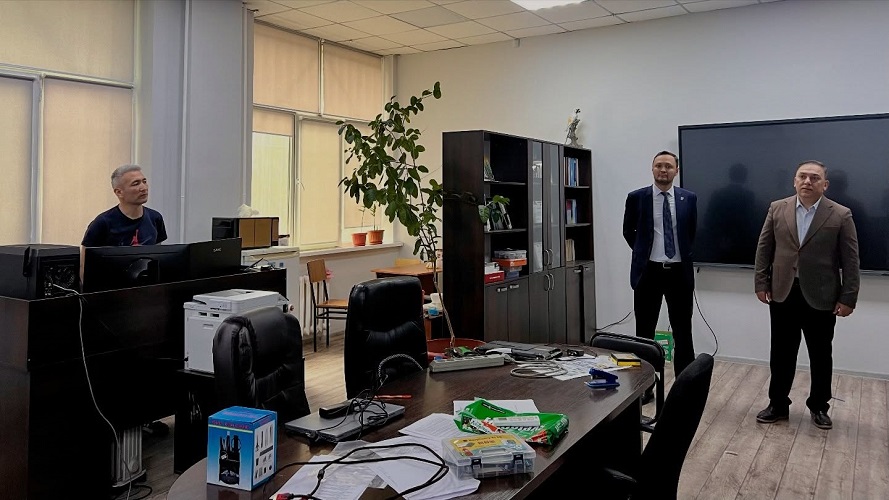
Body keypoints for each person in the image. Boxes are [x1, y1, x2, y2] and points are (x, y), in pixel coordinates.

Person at [754, 160, 860, 430]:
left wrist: (848, 297)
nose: (807, 182)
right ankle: (778, 404)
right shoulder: (777, 208)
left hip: (822, 296)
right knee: (781, 353)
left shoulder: (841, 214)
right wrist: (761, 282)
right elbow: (764, 249)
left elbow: (850, 260)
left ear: (825, 184)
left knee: (821, 354)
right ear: (794, 181)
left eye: (814, 178)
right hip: (783, 292)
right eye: (802, 176)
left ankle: (819, 406)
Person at [623, 151, 698, 388]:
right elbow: (628, 231)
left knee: (683, 332)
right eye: (658, 166)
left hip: (679, 274)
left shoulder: (689, 198)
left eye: (668, 166)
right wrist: (644, 253)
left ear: (676, 170)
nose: (663, 170)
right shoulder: (637, 197)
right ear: (652, 168)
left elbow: (691, 232)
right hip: (648, 273)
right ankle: (645, 387)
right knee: (644, 333)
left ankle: (684, 386)